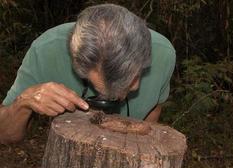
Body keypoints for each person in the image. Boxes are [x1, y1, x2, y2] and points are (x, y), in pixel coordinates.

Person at [0, 4, 176, 144]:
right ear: (79, 68)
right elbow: (5, 135)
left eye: (128, 82)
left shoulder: (163, 55)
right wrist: (23, 103)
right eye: (106, 92)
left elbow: (150, 124)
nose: (123, 94)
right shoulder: (46, 51)